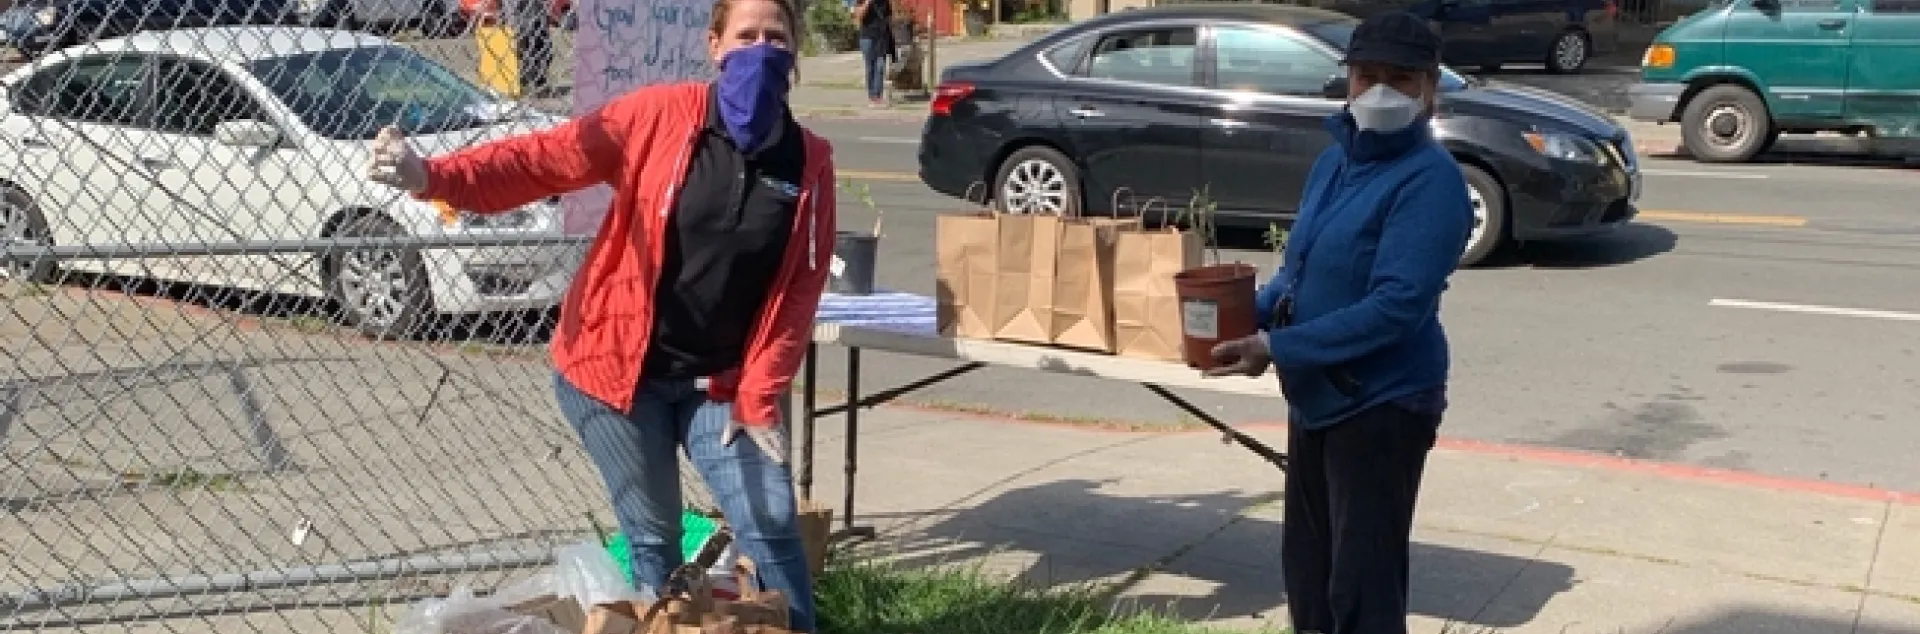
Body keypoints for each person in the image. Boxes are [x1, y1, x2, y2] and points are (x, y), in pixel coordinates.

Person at [363, 0, 837, 628]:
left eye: (775, 37)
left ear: (795, 51)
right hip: (615, 373)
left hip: (719, 385)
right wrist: (433, 176)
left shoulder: (809, 160)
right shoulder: (659, 117)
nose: (761, 49)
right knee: (655, 537)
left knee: (771, 520)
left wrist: (759, 392)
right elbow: (546, 158)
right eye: (745, 36)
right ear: (715, 45)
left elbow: (799, 287)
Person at [1202, 11, 1473, 634]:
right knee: (1309, 575)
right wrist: (1241, 316)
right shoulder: (1334, 163)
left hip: (1381, 406)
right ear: (1346, 81)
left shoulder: (1431, 182)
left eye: (1400, 79)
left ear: (1431, 89)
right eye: (1366, 75)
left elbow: (1396, 308)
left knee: (1362, 587)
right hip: (1318, 397)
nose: (1380, 91)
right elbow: (1296, 275)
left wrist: (1275, 345)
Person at [503, 0, 553, 95]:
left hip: (537, 18)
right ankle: (533, 83)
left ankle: (535, 82)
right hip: (519, 22)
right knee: (526, 53)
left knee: (545, 52)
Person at [853, 0, 895, 107]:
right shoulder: (861, 1)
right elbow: (858, 17)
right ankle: (872, 96)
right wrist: (867, 3)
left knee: (880, 67)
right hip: (867, 37)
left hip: (881, 37)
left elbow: (889, 18)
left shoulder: (884, 2)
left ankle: (878, 96)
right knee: (870, 67)